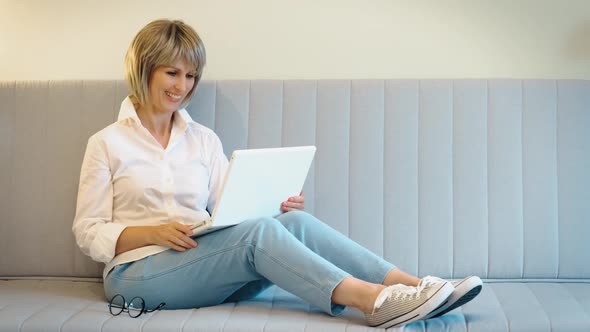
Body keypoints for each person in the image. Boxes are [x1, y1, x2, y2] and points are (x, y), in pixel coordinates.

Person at [72, 19, 482, 329]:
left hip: (199, 262)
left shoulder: (203, 139)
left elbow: (230, 210)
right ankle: (374, 301)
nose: (183, 85)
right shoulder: (107, 143)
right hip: (137, 276)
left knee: (293, 222)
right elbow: (88, 231)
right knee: (259, 235)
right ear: (145, 69)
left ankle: (417, 288)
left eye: (191, 75)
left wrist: (273, 205)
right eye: (172, 72)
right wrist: (150, 232)